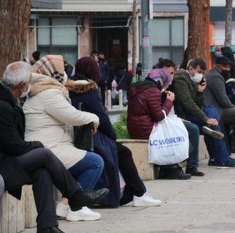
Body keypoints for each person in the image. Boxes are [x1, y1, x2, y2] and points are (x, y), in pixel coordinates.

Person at [0, 61, 109, 233]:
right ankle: (76, 195)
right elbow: (13, 146)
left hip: (9, 158)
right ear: (21, 85)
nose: (30, 84)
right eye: (28, 81)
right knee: (44, 154)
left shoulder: (9, 100)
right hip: (5, 162)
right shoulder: (3, 106)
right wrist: (38, 144)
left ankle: (48, 227)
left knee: (41, 171)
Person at [67, 57, 162, 207]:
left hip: (76, 135)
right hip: (90, 137)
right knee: (123, 152)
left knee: (121, 153)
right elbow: (102, 117)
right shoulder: (88, 90)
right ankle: (139, 193)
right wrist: (112, 137)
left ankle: (138, 193)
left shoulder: (69, 88)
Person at [23, 55, 105, 221]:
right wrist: (94, 118)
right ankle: (76, 207)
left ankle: (65, 205)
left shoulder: (40, 89)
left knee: (87, 160)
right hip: (49, 147)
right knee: (95, 162)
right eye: (62, 70)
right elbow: (71, 115)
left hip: (49, 145)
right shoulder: (48, 93)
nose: (66, 73)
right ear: (54, 72)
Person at [171, 58, 235, 168]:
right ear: (191, 68)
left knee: (211, 110)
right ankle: (221, 158)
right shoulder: (181, 77)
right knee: (213, 122)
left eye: (203, 73)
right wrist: (206, 119)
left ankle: (219, 156)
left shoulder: (193, 81)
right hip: (183, 116)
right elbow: (187, 103)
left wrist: (199, 92)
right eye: (199, 72)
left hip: (192, 114)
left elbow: (198, 105)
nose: (201, 75)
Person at [127, 69, 192, 179]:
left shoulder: (137, 87)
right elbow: (159, 116)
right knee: (175, 131)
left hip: (134, 127)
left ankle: (170, 168)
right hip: (146, 129)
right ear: (161, 81)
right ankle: (170, 169)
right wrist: (169, 101)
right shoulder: (153, 91)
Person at [158, 58, 205, 176]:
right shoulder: (156, 86)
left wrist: (199, 92)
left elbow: (179, 104)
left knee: (193, 128)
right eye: (166, 73)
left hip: (174, 117)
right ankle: (172, 167)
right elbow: (157, 111)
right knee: (192, 128)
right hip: (162, 120)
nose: (169, 76)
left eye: (172, 73)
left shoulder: (173, 84)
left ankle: (192, 166)